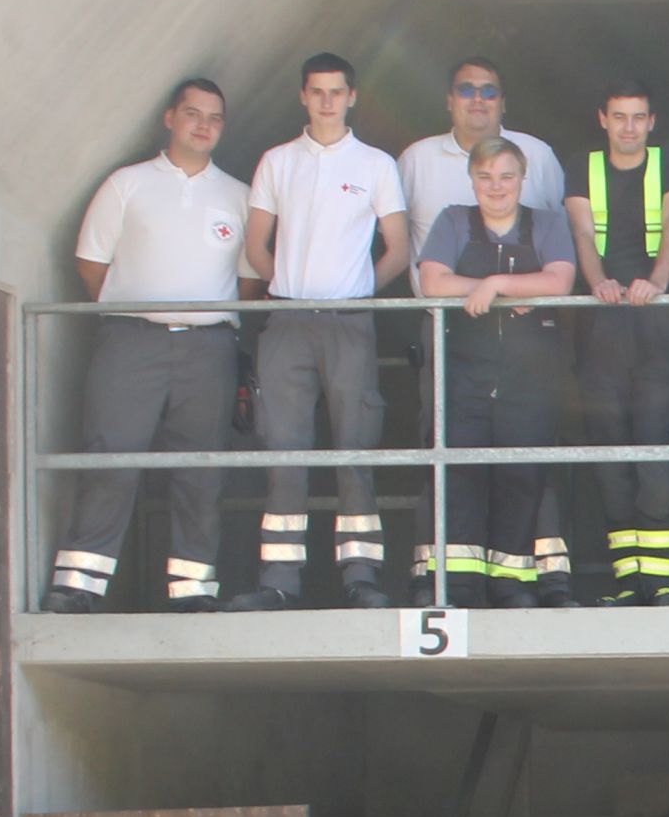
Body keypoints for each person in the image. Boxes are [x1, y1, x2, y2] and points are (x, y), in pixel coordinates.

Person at [49, 77, 248, 613]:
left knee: (201, 470)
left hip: (208, 348)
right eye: (193, 114)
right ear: (170, 118)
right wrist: (136, 310)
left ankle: (192, 591)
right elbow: (91, 262)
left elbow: (250, 278)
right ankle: (79, 586)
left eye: (214, 118)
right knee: (111, 457)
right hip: (131, 341)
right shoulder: (128, 183)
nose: (203, 126)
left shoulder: (238, 195)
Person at [235, 52, 408, 610]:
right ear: (303, 97)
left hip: (349, 321)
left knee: (355, 450)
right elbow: (255, 243)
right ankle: (279, 581)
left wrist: (358, 291)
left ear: (352, 97)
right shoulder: (278, 161)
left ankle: (361, 576)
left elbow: (398, 248)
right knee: (284, 451)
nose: (327, 101)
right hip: (287, 319)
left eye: (337, 91)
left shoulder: (376, 164)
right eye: (317, 91)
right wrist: (286, 287)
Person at [408, 140, 578, 605]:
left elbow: (560, 280)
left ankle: (511, 586)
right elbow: (432, 281)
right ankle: (458, 586)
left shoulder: (547, 223)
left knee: (522, 476)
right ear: (471, 181)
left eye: (506, 176)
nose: (496, 187)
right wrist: (500, 290)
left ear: (522, 179)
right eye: (485, 177)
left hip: (530, 377)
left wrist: (497, 284)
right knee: (460, 475)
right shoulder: (453, 220)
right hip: (464, 373)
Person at [562, 79, 669, 604]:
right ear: (603, 119)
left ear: (652, 122)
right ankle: (628, 581)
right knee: (611, 455)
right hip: (601, 325)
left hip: (657, 324)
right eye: (619, 116)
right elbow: (582, 234)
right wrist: (598, 281)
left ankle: (666, 582)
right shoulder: (583, 165)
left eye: (638, 117)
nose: (629, 127)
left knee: (656, 449)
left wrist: (657, 283)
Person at [394, 55, 564, 250]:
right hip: (435, 271)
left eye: (489, 92)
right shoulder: (415, 159)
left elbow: (565, 229)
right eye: (465, 90)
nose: (477, 99)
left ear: (503, 103)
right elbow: (393, 241)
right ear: (449, 101)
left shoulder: (538, 154)